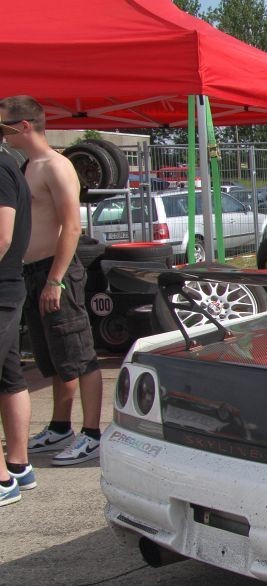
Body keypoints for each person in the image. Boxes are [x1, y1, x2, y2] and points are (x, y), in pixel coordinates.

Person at [0, 96, 103, 467]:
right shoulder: (26, 165)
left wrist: (56, 280)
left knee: (79, 354)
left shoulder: (57, 166)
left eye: (4, 126)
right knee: (56, 357)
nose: (2, 134)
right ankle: (61, 426)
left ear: (24, 126)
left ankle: (92, 433)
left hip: (55, 272)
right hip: (30, 272)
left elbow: (72, 226)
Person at [0, 118, 33, 505]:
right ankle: (19, 466)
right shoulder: (10, 164)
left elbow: (3, 235)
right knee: (10, 378)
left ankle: (3, 479)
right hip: (9, 286)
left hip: (3, 288)